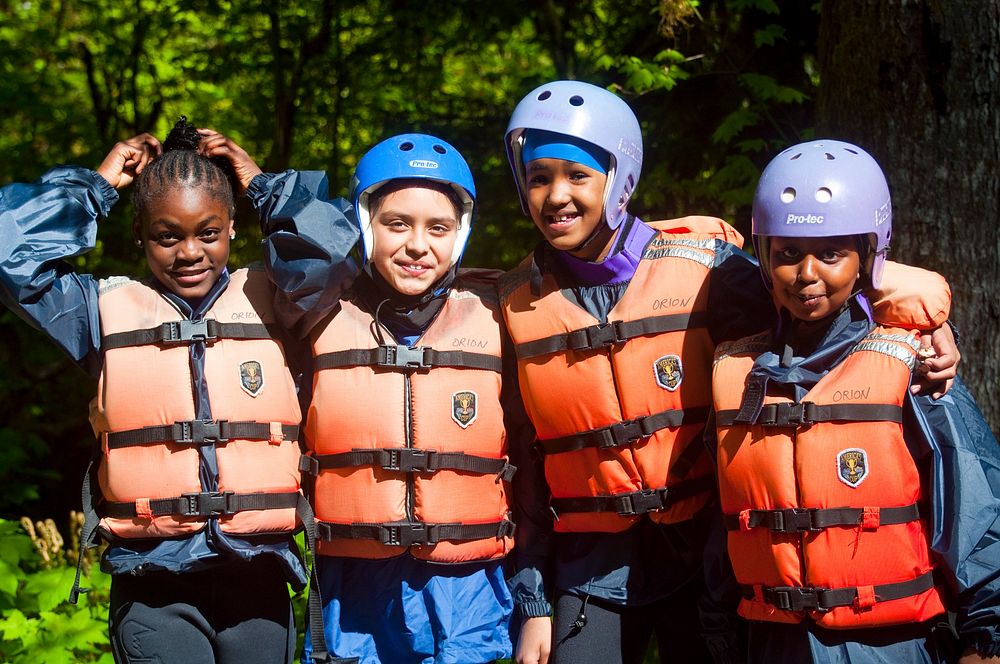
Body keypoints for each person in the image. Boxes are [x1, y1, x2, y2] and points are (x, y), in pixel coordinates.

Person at [497, 81, 961, 664]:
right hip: (591, 575)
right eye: (538, 178)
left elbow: (815, 305)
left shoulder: (710, 272)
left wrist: (927, 324)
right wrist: (536, 601)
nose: (555, 195)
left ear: (620, 179)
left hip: (705, 570)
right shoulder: (514, 306)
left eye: (578, 175)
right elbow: (527, 466)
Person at [0, 118, 349, 663]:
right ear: (140, 236)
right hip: (151, 584)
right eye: (168, 236)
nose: (189, 252)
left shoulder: (279, 300)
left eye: (207, 233)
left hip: (256, 582)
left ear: (233, 226)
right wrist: (95, 186)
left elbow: (335, 252)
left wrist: (261, 184)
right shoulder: (97, 312)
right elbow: (8, 249)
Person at [211, 132, 525, 664]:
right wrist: (266, 187)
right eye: (396, 223)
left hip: (466, 589)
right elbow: (307, 252)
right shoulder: (316, 310)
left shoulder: (499, 315)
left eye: (438, 228)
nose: (418, 244)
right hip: (351, 588)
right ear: (364, 225)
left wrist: (534, 596)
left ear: (462, 234)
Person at [709, 138, 1000, 663]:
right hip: (774, 646)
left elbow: (975, 512)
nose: (807, 274)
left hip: (892, 646)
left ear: (869, 256)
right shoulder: (735, 371)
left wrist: (986, 638)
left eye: (832, 253)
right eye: (788, 254)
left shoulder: (916, 369)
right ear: (764, 255)